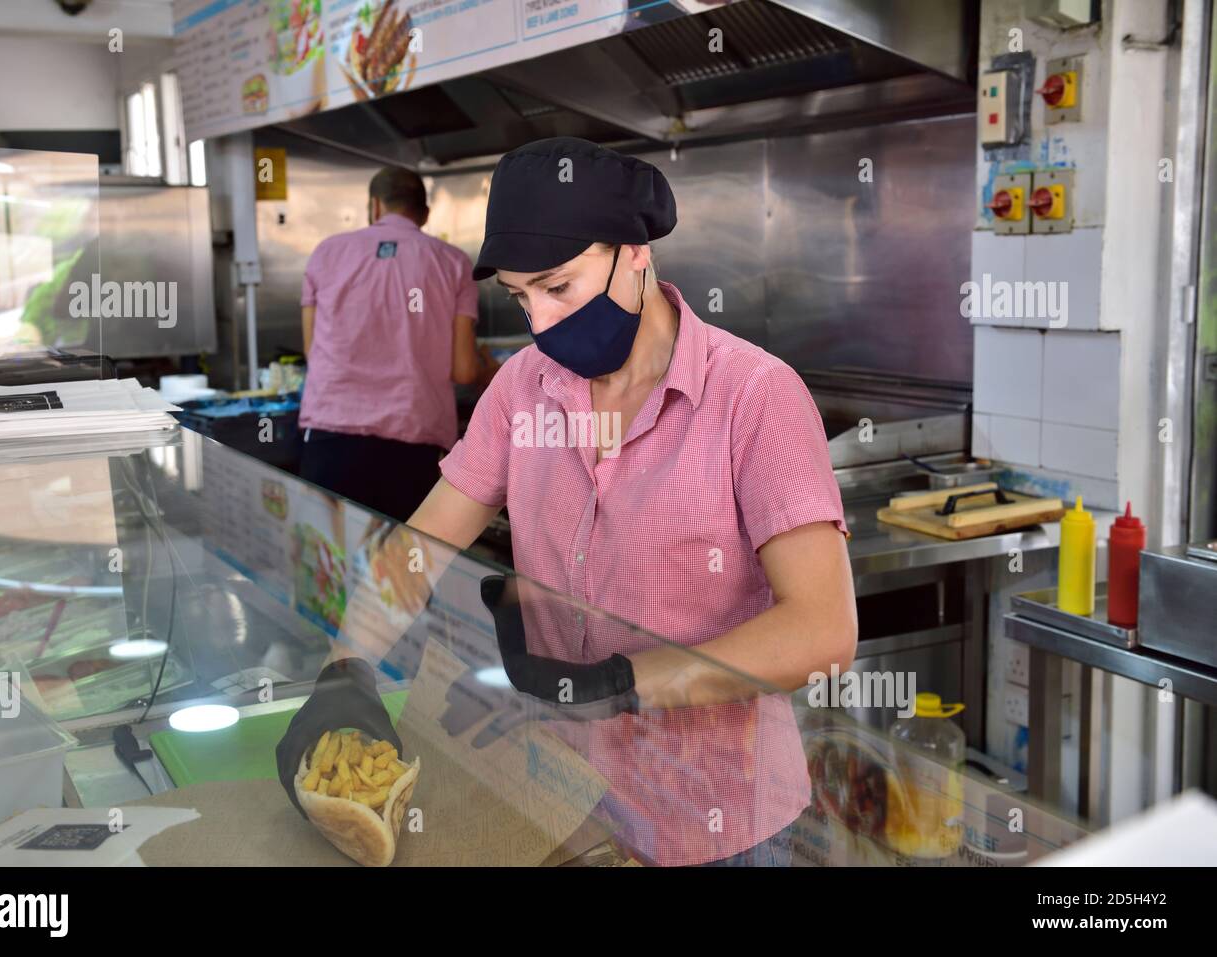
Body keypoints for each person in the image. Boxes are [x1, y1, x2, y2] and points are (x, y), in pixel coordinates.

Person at [279, 137, 857, 867]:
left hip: (714, 820)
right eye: (521, 297)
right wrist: (346, 670)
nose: (541, 323)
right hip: (562, 804)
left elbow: (823, 628)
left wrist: (622, 683)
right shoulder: (523, 387)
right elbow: (418, 551)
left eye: (559, 286)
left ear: (634, 253)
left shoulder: (754, 394)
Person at [297, 166, 492, 521]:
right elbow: (464, 372)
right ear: (425, 214)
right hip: (412, 447)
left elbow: (313, 353)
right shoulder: (453, 262)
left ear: (374, 207)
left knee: (328, 564)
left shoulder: (326, 253)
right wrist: (491, 370)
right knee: (400, 569)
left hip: (330, 437)